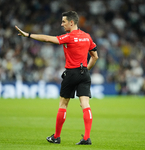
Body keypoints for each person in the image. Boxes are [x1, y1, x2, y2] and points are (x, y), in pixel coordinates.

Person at [15, 11, 98, 145]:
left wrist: (28, 35)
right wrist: (86, 70)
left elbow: (47, 39)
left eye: (64, 21)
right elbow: (95, 57)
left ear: (71, 22)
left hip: (71, 73)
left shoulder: (68, 37)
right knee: (85, 105)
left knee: (63, 104)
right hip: (84, 73)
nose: (62, 24)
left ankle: (56, 137)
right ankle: (86, 138)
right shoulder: (87, 37)